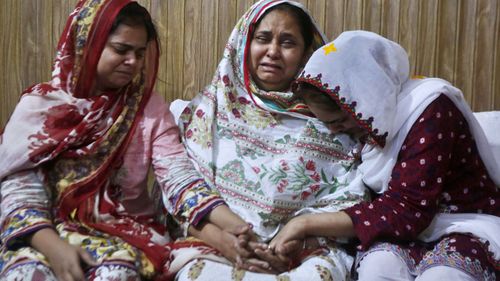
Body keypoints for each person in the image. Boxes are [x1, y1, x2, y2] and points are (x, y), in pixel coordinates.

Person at [0, 0, 249, 280]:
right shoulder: (40, 108)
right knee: (27, 274)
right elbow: (19, 191)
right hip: (44, 231)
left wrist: (239, 229)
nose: (133, 62)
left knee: (116, 274)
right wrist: (54, 247)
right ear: (87, 45)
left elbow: (179, 179)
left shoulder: (147, 108)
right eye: (121, 49)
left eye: (140, 53)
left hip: (123, 234)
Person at [270, 30, 500, 280]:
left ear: (364, 98)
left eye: (340, 121)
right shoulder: (369, 126)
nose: (335, 131)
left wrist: (303, 224)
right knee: (376, 269)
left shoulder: (431, 108)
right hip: (402, 231)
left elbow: (408, 210)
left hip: (460, 223)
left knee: (444, 275)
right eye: (328, 124)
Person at [170, 0, 370, 280]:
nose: (273, 52)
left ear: (305, 54)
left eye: (287, 43)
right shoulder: (207, 112)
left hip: (303, 251)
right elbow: (180, 199)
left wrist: (295, 243)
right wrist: (228, 242)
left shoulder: (333, 119)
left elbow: (352, 201)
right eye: (263, 39)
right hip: (216, 244)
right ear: (243, 43)